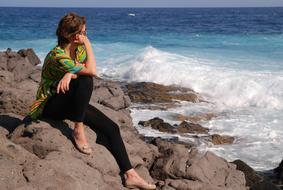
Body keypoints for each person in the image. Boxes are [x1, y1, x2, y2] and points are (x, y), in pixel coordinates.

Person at [27, 12, 156, 190]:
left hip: (69, 99)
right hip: (49, 104)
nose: (86, 36)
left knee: (112, 128)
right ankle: (78, 129)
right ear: (75, 36)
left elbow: (83, 69)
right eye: (84, 33)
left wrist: (70, 73)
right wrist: (87, 47)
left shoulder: (77, 49)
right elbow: (92, 72)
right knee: (86, 80)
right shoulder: (56, 55)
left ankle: (130, 175)